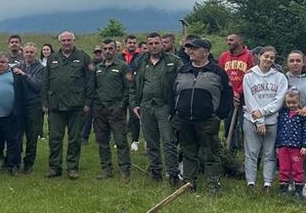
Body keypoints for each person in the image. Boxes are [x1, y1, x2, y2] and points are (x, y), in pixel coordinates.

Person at [173, 38, 233, 195]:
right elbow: (174, 93)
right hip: (184, 120)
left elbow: (228, 96)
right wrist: (176, 112)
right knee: (188, 153)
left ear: (205, 52)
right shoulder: (182, 70)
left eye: (195, 48)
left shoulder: (217, 72)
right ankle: (189, 184)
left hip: (207, 120)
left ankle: (213, 184)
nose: (190, 51)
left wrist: (218, 116)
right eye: (189, 48)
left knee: (210, 155)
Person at [43, 31, 94, 179]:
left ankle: (72, 167)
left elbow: (90, 82)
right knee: (54, 138)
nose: (66, 43)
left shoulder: (83, 57)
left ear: (73, 40)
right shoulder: (52, 58)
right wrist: (44, 102)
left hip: (76, 105)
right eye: (63, 40)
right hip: (55, 105)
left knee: (74, 139)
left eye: (69, 40)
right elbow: (46, 82)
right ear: (60, 42)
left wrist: (88, 102)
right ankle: (54, 167)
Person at [134, 32, 183, 185]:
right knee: (151, 142)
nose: (154, 46)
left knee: (168, 142)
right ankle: (155, 172)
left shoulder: (173, 61)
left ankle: (173, 174)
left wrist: (175, 107)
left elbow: (181, 85)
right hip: (146, 106)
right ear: (146, 45)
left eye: (156, 43)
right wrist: (135, 103)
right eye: (150, 44)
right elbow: (134, 85)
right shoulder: (141, 61)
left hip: (165, 107)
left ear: (162, 44)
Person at [241, 47, 287, 192]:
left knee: (270, 153)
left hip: (272, 120)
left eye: (272, 58)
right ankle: (250, 182)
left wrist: (262, 113)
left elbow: (279, 100)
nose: (268, 59)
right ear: (259, 56)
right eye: (266, 56)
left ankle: (267, 183)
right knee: (251, 152)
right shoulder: (249, 76)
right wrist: (258, 120)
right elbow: (249, 99)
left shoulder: (280, 77)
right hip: (251, 119)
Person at [90, 39, 133, 180]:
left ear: (116, 50)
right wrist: (95, 105)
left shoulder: (123, 67)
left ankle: (125, 171)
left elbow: (128, 89)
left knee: (121, 142)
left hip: (116, 111)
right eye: (105, 49)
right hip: (100, 110)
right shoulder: (98, 68)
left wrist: (121, 106)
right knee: (102, 141)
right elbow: (94, 88)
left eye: (110, 48)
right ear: (102, 51)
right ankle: (106, 169)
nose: (107, 51)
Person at [282, 51, 306, 198]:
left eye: (298, 60)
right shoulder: (283, 79)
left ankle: (301, 183)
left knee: (303, 153)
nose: (295, 63)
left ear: (304, 62)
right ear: (287, 62)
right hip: (287, 121)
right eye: (291, 60)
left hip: (305, 121)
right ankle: (287, 182)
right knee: (286, 153)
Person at [274, 89, 306, 199]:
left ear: (299, 101)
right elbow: (279, 130)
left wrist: (305, 146)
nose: (291, 105)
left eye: (294, 102)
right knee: (284, 168)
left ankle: (298, 191)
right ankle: (283, 190)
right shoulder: (283, 114)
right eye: (289, 102)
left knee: (298, 169)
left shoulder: (304, 115)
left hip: (297, 147)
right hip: (283, 146)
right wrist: (277, 145)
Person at [219, 32, 254, 151]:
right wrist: (231, 92)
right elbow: (221, 75)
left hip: (245, 96)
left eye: (231, 40)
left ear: (240, 41)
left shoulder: (249, 56)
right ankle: (231, 151)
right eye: (227, 40)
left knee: (245, 125)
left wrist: (239, 92)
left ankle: (247, 151)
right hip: (229, 95)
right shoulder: (224, 56)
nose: (228, 42)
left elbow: (250, 76)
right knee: (228, 126)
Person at [15, 42, 46, 173]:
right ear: (23, 53)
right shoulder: (19, 65)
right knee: (17, 135)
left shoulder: (41, 68)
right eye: (27, 52)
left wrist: (24, 75)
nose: (29, 54)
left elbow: (38, 86)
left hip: (34, 105)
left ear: (35, 53)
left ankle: (29, 163)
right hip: (20, 104)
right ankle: (16, 161)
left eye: (31, 52)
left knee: (32, 136)